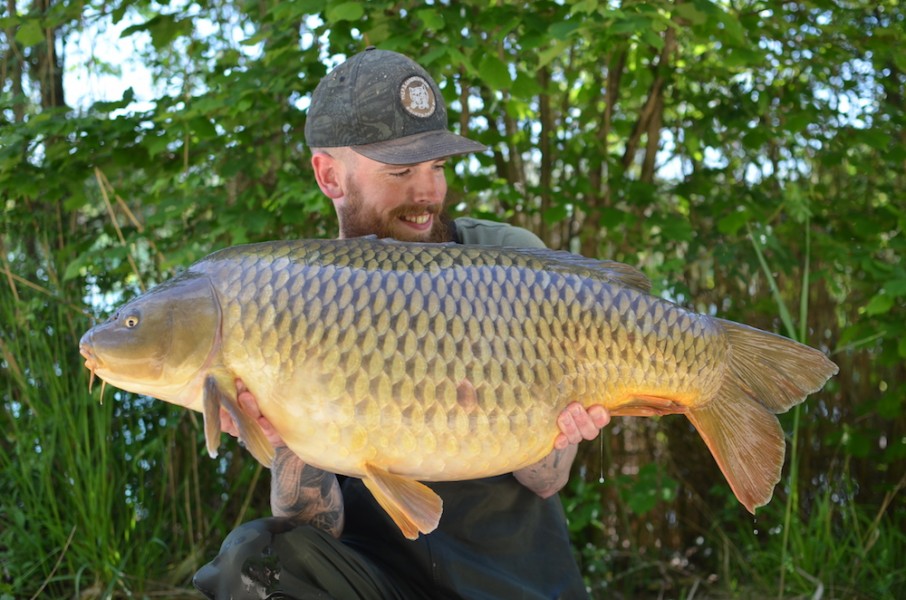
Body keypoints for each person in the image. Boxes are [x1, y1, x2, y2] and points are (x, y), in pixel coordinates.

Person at [193, 47, 611, 600]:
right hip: (378, 578)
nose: (427, 193)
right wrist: (284, 436)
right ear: (329, 176)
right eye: (401, 171)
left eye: (437, 166)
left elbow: (548, 479)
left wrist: (565, 422)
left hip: (510, 579)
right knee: (251, 564)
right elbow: (316, 529)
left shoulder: (509, 262)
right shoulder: (289, 297)